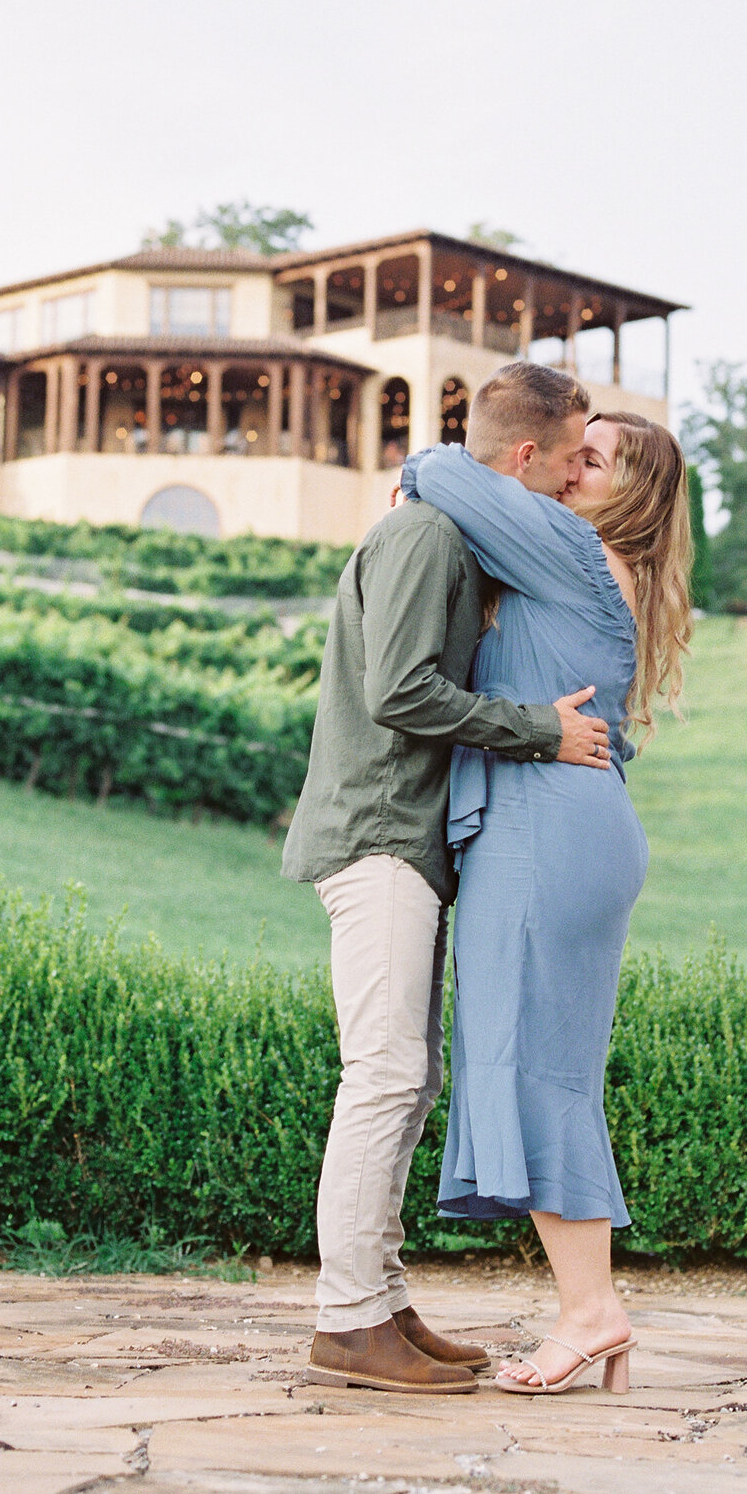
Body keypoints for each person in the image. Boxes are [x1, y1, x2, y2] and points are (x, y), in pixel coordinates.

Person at [281, 362, 616, 1396]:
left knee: (405, 1075)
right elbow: (400, 692)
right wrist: (537, 732)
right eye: (568, 459)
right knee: (382, 1074)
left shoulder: (439, 529)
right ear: (524, 455)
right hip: (379, 830)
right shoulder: (425, 534)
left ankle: (379, 1302)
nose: (574, 479)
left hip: (401, 836)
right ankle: (347, 1319)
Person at [401, 408, 696, 1396]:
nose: (573, 468)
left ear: (630, 494)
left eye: (595, 457)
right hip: (557, 822)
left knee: (535, 1068)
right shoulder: (585, 560)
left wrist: (416, 471)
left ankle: (590, 1311)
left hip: (547, 831)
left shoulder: (572, 550)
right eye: (576, 448)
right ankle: (589, 1309)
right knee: (541, 1067)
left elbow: (450, 467)